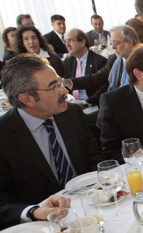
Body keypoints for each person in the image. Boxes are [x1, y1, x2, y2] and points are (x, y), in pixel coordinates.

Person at [0, 54, 101, 204]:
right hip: (39, 222)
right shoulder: (4, 135)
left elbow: (94, 159)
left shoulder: (71, 114)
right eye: (54, 87)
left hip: (89, 202)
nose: (64, 91)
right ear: (27, 99)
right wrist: (33, 212)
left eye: (60, 82)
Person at [62, 25, 139, 107]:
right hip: (114, 103)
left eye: (116, 43)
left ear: (130, 43)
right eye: (111, 43)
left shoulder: (141, 61)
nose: (113, 47)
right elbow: (98, 77)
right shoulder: (114, 59)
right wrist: (68, 82)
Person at [62, 29, 108, 106]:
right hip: (72, 103)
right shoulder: (68, 61)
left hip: (92, 104)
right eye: (65, 41)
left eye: (70, 41)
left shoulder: (99, 61)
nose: (67, 45)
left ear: (82, 42)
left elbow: (103, 89)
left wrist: (86, 104)